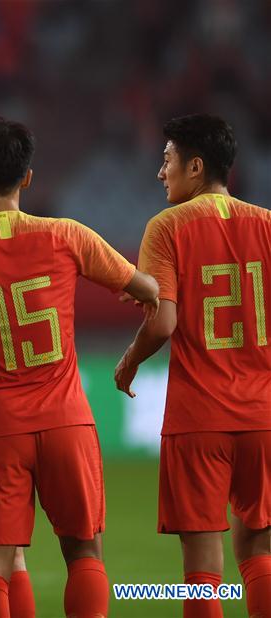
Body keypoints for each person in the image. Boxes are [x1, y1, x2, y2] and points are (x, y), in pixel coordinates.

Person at [0, 117, 159, 618]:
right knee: (84, 554)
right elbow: (148, 290)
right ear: (28, 178)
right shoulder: (66, 235)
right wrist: (138, 311)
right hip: (66, 419)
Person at [115, 113, 271, 618]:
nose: (161, 173)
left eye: (167, 161)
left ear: (196, 166)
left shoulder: (166, 227)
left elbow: (162, 324)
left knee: (202, 571)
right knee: (259, 550)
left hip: (198, 416)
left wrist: (128, 362)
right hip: (264, 416)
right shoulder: (268, 225)